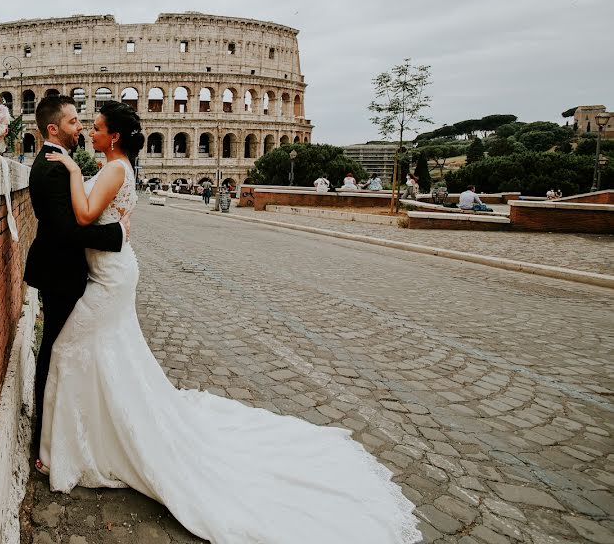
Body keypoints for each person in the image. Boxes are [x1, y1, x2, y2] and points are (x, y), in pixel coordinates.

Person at [34, 101, 422, 543]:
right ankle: (100, 435)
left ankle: (80, 446)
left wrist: (67, 169)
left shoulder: (113, 169)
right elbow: (109, 221)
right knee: (111, 353)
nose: (90, 132)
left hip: (111, 275)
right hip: (113, 271)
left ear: (115, 137)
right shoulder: (120, 167)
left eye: (97, 128)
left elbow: (84, 216)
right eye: (85, 125)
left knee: (71, 349)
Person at [23, 95, 130, 454]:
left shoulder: (60, 163)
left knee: (64, 350)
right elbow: (70, 230)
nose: (81, 127)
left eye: (87, 124)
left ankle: (61, 432)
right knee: (55, 352)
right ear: (53, 128)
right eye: (74, 122)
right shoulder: (53, 167)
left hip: (68, 270)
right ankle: (44, 438)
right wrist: (118, 234)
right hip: (61, 273)